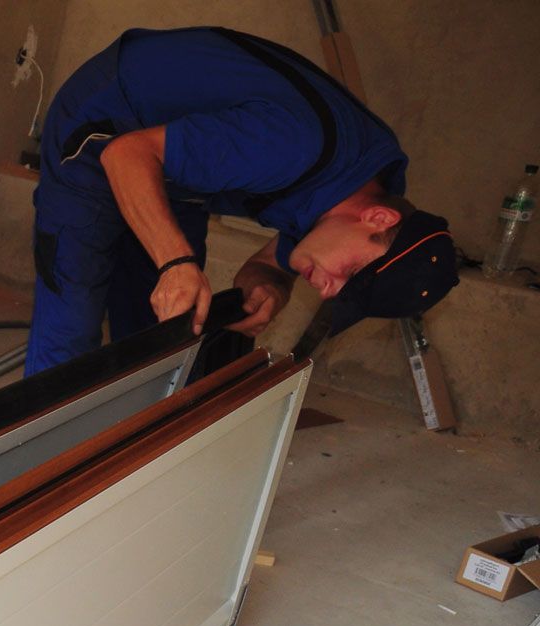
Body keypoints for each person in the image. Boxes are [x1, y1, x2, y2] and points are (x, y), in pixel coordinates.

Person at [27, 26, 460, 374]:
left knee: (163, 335)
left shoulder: (358, 189)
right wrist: (175, 261)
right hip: (104, 131)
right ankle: (38, 473)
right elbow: (125, 155)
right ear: (377, 218)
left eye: (346, 292)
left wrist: (268, 282)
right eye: (350, 273)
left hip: (177, 165)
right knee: (71, 332)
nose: (328, 289)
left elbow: (274, 260)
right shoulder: (294, 145)